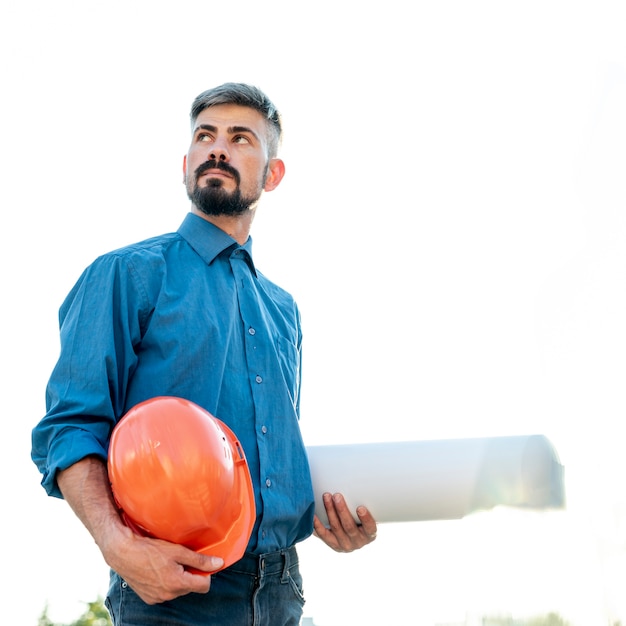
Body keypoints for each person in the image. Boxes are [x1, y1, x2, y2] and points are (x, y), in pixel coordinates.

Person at [31, 82, 377, 626]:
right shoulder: (126, 275)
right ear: (187, 162)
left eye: (241, 138)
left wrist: (328, 521)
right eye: (205, 136)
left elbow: (270, 460)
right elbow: (71, 428)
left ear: (273, 174)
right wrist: (118, 547)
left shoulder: (283, 310)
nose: (218, 148)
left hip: (285, 592)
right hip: (172, 591)